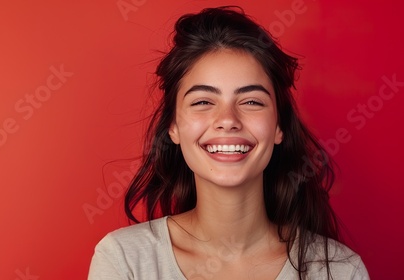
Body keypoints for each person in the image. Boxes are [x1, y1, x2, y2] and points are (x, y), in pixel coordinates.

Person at [88, 6, 369, 280]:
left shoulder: (341, 270)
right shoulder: (124, 260)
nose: (227, 120)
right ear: (173, 127)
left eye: (250, 101)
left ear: (278, 126)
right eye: (202, 102)